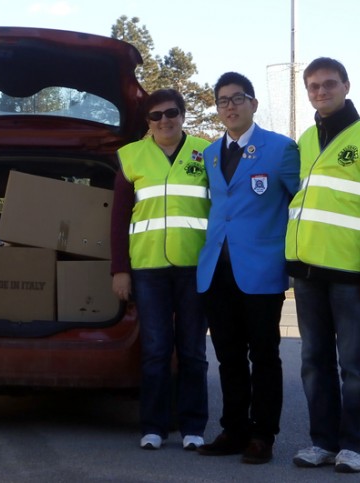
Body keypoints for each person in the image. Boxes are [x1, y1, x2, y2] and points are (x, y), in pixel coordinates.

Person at [288, 57, 360, 474]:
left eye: (329, 84)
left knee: (352, 364)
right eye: (313, 86)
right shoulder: (304, 140)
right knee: (313, 362)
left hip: (351, 275)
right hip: (306, 272)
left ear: (346, 86)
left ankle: (353, 444)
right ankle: (322, 441)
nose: (321, 91)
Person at [195, 72, 300, 464]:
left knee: (265, 355)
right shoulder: (208, 153)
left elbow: (299, 206)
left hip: (260, 270)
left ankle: (262, 435)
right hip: (215, 271)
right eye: (222, 100)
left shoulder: (281, 149)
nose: (230, 106)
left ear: (253, 103)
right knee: (229, 356)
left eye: (238, 98)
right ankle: (233, 429)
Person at [110, 88, 210, 451]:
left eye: (171, 112)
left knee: (193, 351)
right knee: (154, 349)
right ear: (147, 122)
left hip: (195, 267)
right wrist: (119, 269)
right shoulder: (130, 156)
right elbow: (118, 218)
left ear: (183, 115)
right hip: (148, 268)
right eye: (155, 115)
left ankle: (193, 426)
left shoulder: (207, 152)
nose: (164, 120)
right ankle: (153, 426)